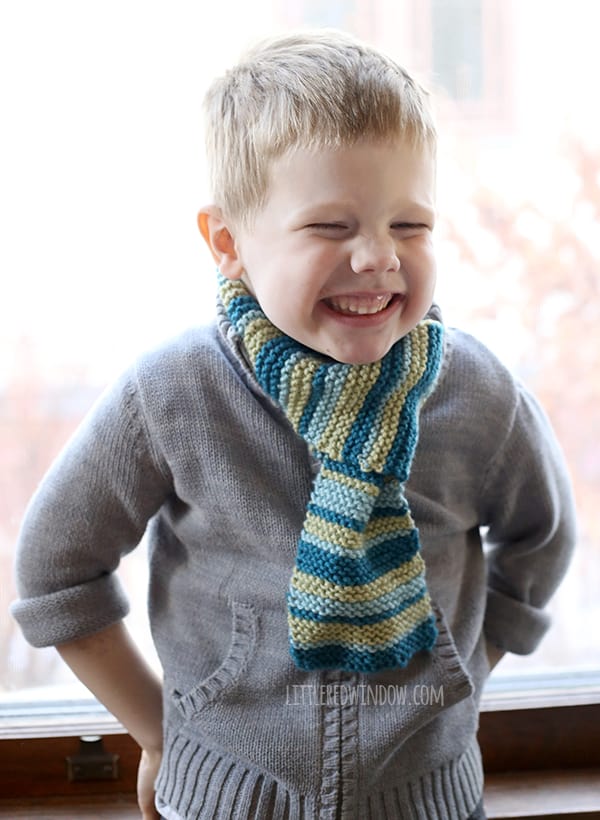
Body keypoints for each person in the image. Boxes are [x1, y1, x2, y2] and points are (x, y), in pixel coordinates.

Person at [11, 29, 576, 820]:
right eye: (331, 227)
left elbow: (542, 539)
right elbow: (55, 567)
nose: (377, 256)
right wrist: (162, 731)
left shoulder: (476, 394)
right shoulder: (175, 393)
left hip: (433, 803)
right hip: (222, 802)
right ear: (228, 243)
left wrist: (465, 667)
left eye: (409, 225)